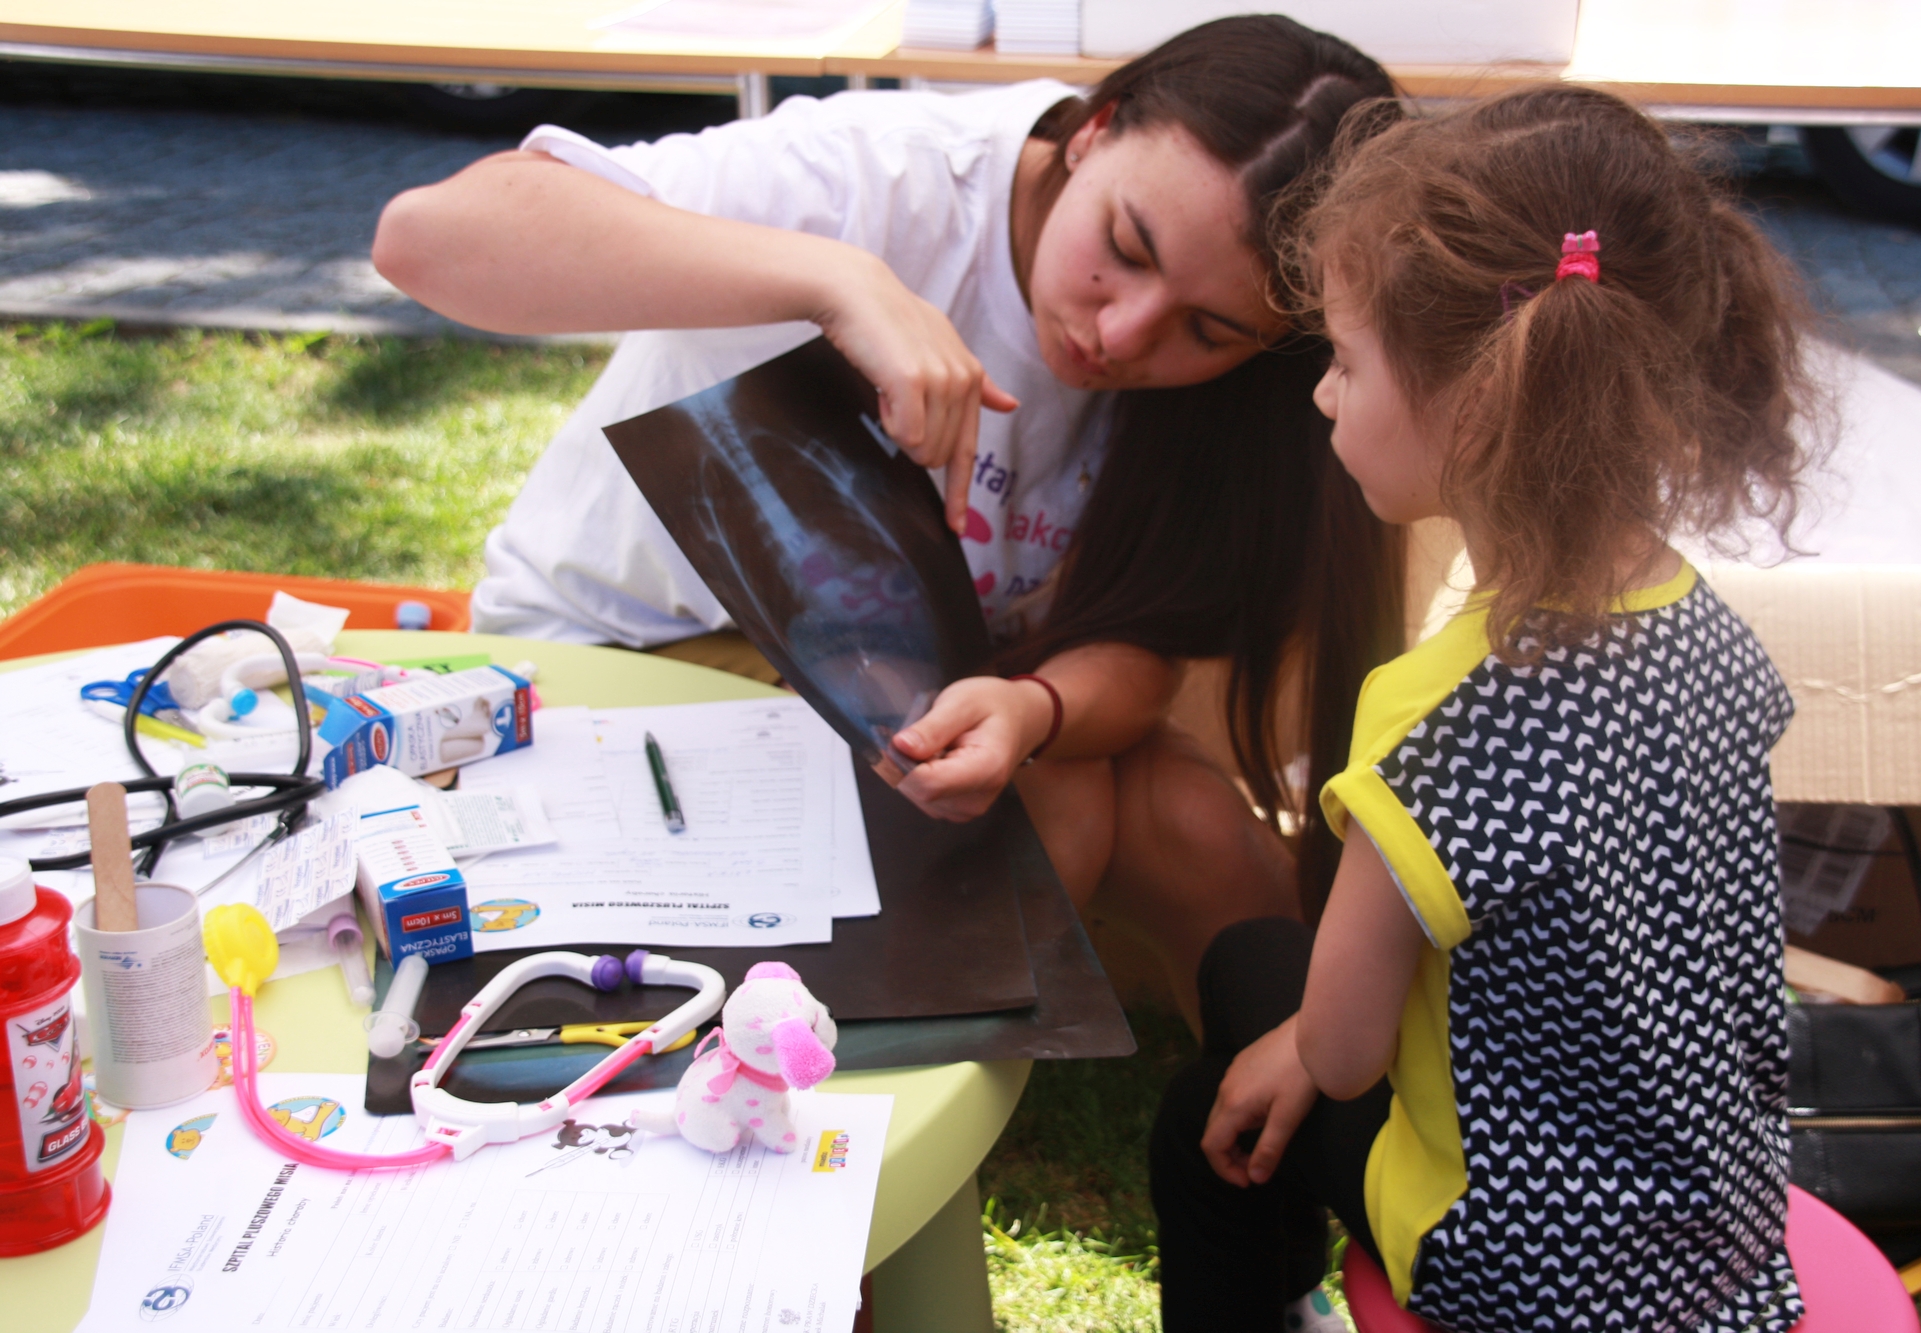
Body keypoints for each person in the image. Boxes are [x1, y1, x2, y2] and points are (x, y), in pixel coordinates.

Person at [372, 17, 1406, 1018]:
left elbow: (1145, 644)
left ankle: (1284, 1096)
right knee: (1059, 807)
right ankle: (864, 1069)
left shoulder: (1245, 399)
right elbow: (425, 240)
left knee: (1183, 828)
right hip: (618, 653)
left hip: (896, 691)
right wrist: (837, 281)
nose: (1123, 332)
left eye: (1209, 330)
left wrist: (1034, 710)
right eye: (1125, 248)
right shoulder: (884, 176)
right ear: (1093, 129)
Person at [1149, 83, 1821, 1330]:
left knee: (1209, 1105)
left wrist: (1296, 1047)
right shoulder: (1702, 623)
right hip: (1711, 1230)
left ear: (1478, 406)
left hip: (1529, 1270)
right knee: (1250, 963)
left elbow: (1341, 1052)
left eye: (1344, 362)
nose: (1321, 396)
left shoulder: (1436, 721)